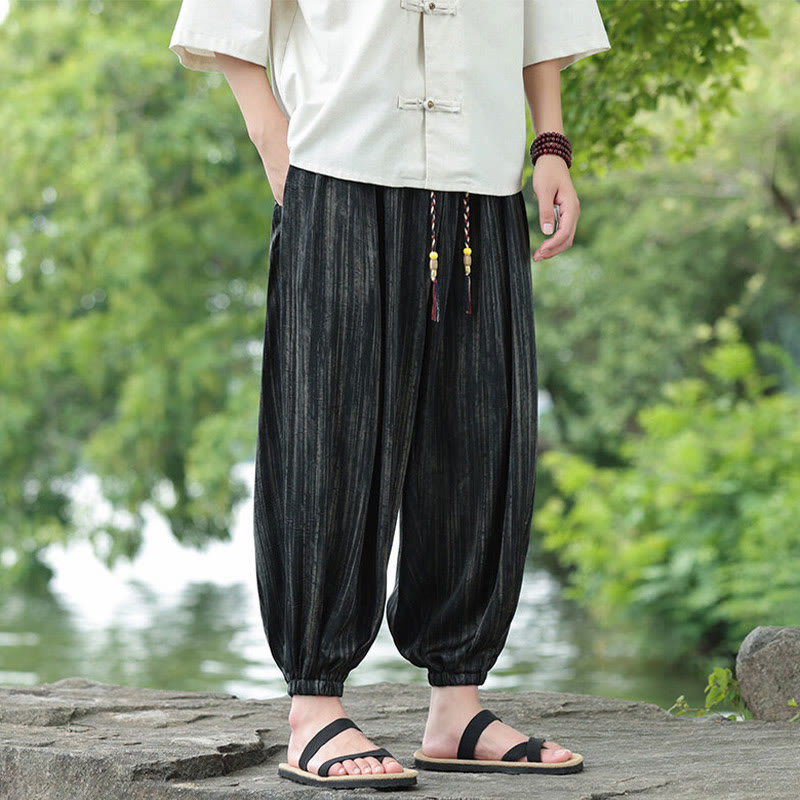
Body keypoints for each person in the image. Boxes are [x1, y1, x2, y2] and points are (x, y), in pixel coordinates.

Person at [169, 0, 611, 790]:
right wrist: (273, 136)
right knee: (328, 438)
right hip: (338, 164)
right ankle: (314, 708)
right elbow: (222, 16)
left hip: (480, 174)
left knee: (479, 438)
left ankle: (457, 705)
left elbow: (545, 14)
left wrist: (552, 145)